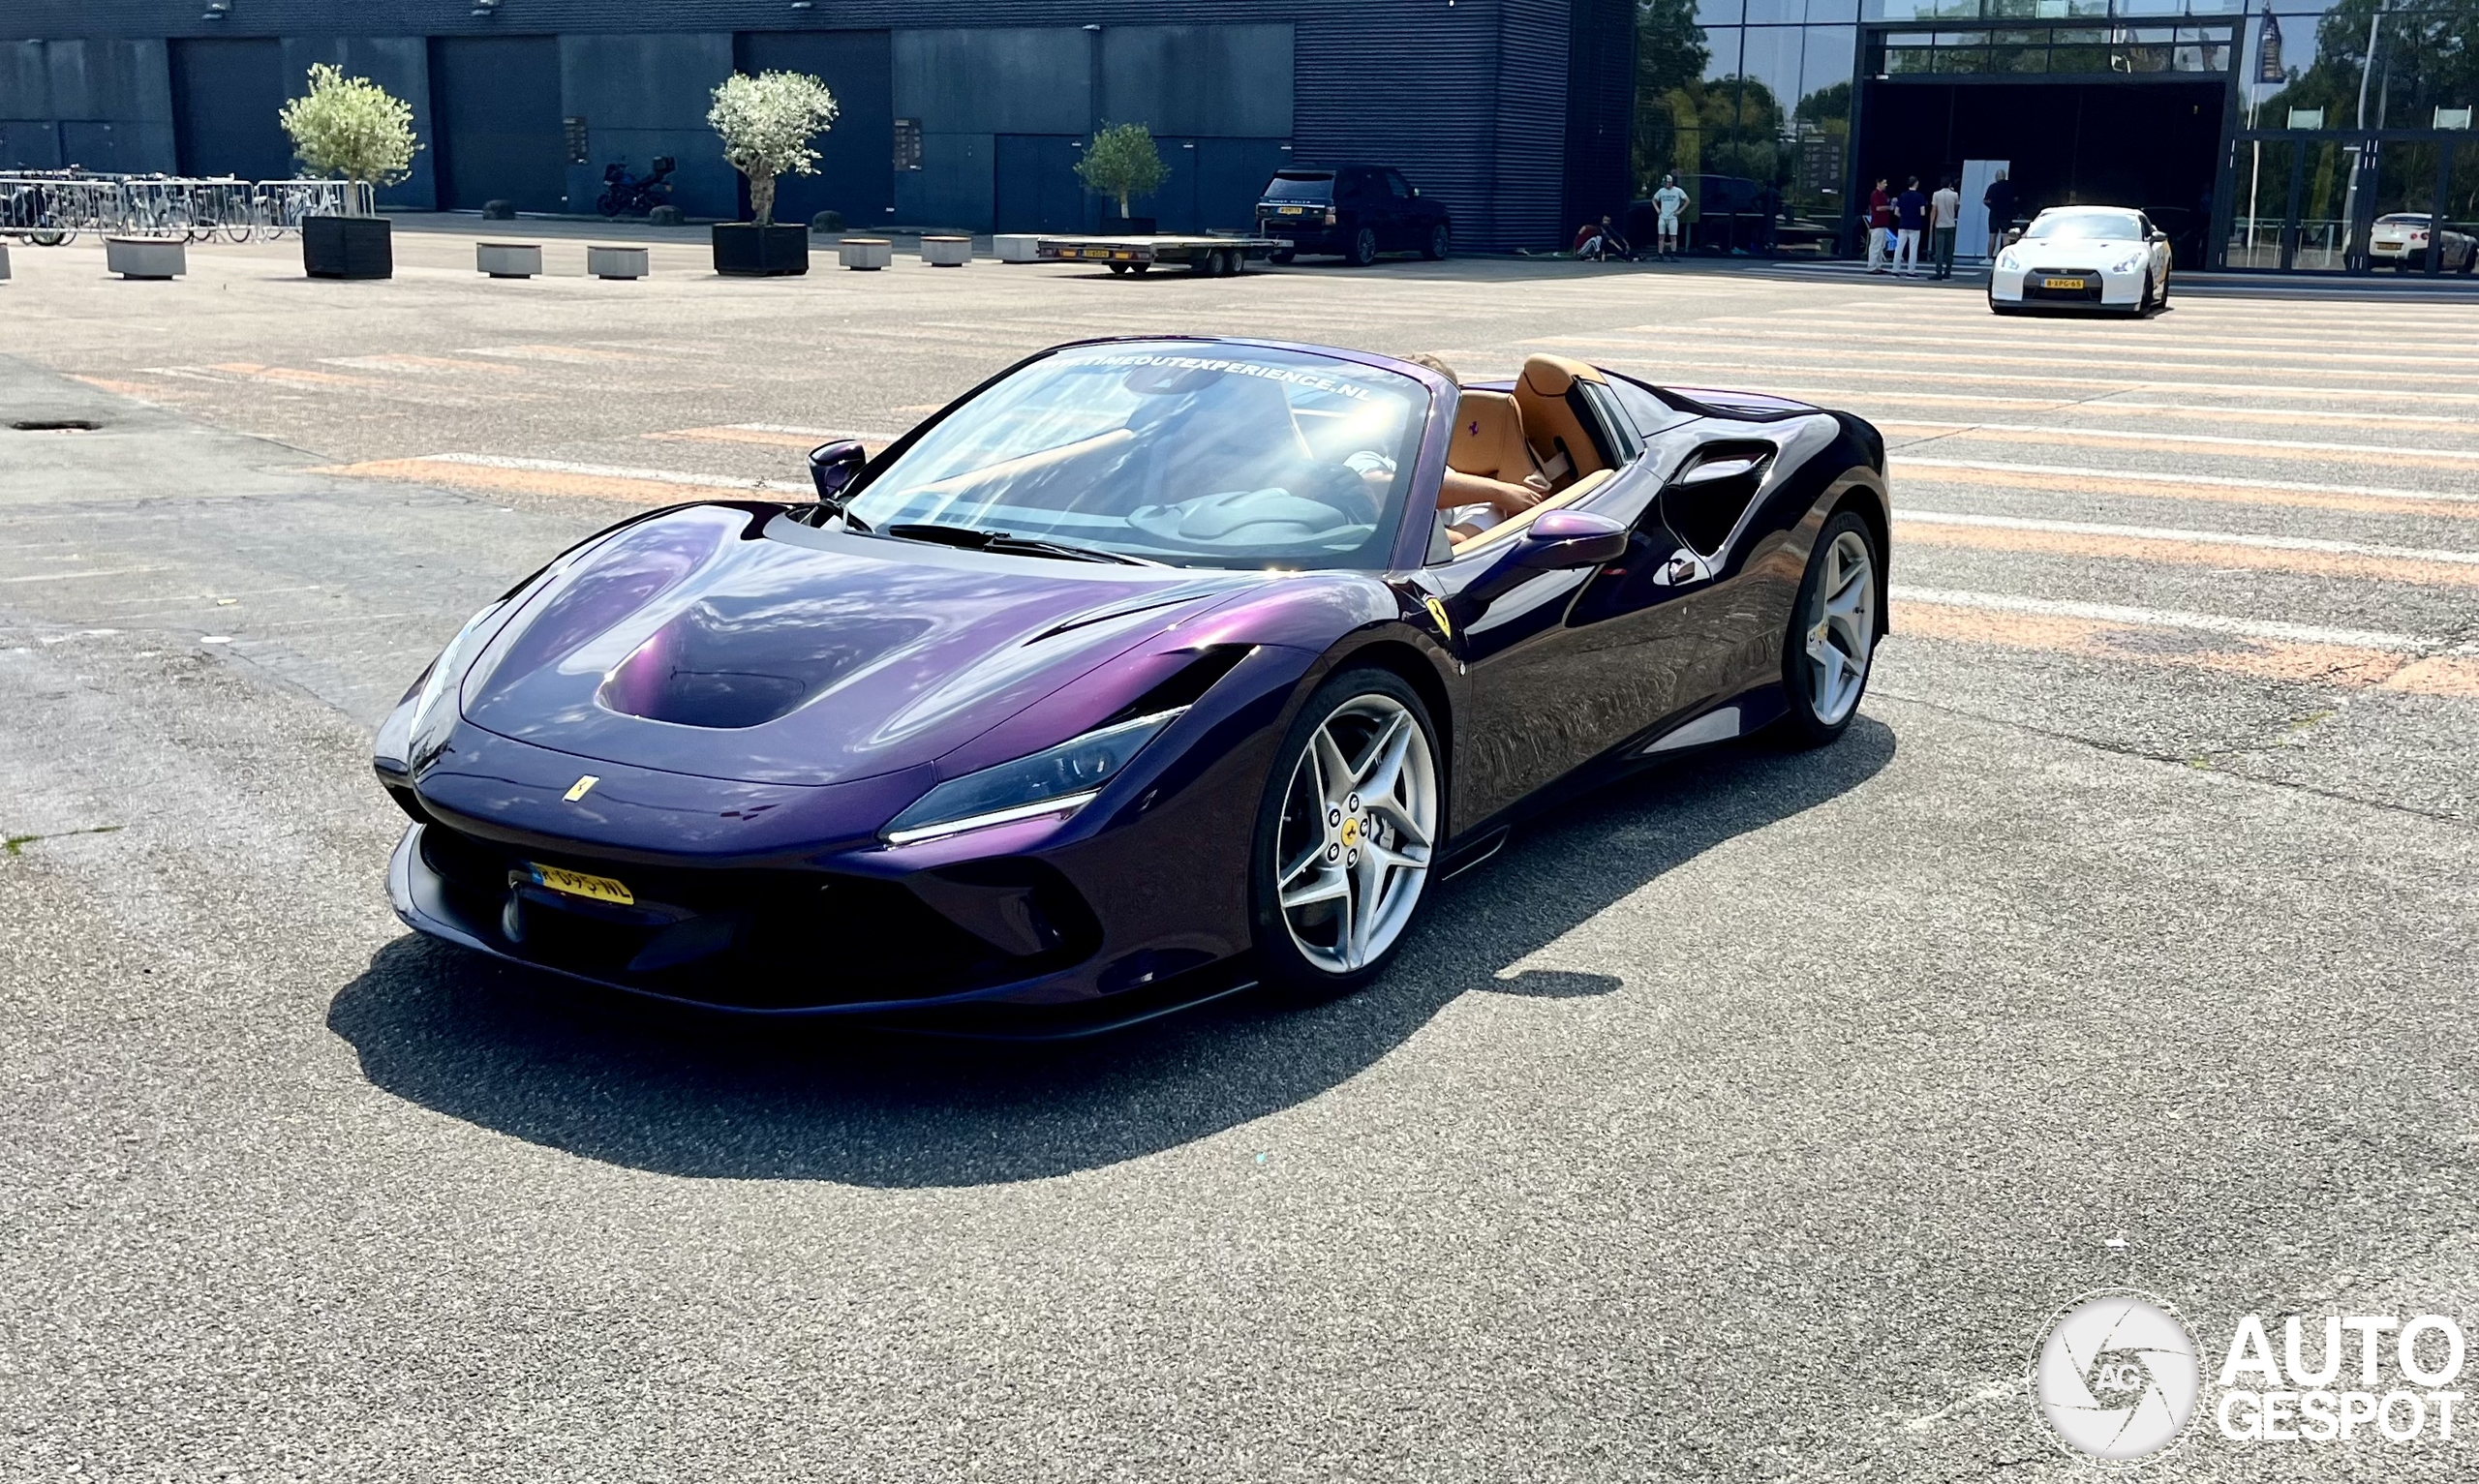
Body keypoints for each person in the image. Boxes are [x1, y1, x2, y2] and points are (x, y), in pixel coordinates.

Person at [1894, 176, 1926, 277]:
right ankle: (1910, 271)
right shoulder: (1920, 196)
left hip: (1903, 224)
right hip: (1915, 225)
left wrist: (1903, 217)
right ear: (1916, 184)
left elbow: (1896, 212)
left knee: (1899, 247)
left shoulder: (1902, 195)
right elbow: (1922, 213)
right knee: (1913, 249)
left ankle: (1895, 269)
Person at [1930, 176, 1960, 280]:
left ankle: (1938, 271)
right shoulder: (1955, 195)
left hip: (1940, 224)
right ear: (1950, 184)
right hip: (1951, 224)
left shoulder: (1936, 194)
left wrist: (1931, 224)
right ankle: (1948, 271)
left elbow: (1934, 210)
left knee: (1939, 250)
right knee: (1949, 250)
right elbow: (1956, 208)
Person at [1652, 175, 1688, 261]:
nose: (1665, 185)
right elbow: (1653, 199)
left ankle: (1673, 254)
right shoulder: (1661, 191)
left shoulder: (1678, 191)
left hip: (1672, 216)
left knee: (1673, 236)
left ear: (1670, 182)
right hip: (1663, 216)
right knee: (1661, 236)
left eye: (1666, 183)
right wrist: (1657, 209)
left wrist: (1679, 211)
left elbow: (1687, 200)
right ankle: (1660, 254)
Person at [1982, 168, 2016, 261]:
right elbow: (2016, 199)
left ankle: (1989, 257)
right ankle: (2006, 258)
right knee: (2005, 235)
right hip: (2006, 213)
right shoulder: (2010, 187)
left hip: (1994, 213)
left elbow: (1986, 200)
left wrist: (1992, 206)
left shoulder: (1993, 187)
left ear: (1997, 177)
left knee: (1992, 235)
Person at [1866, 178, 1893, 272]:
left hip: (1882, 224)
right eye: (1884, 183)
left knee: (1880, 246)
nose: (1885, 185)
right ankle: (1872, 266)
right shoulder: (1875, 194)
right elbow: (1878, 208)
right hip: (1877, 224)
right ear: (1878, 183)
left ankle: (1878, 266)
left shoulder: (1883, 195)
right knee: (1875, 246)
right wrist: (1889, 207)